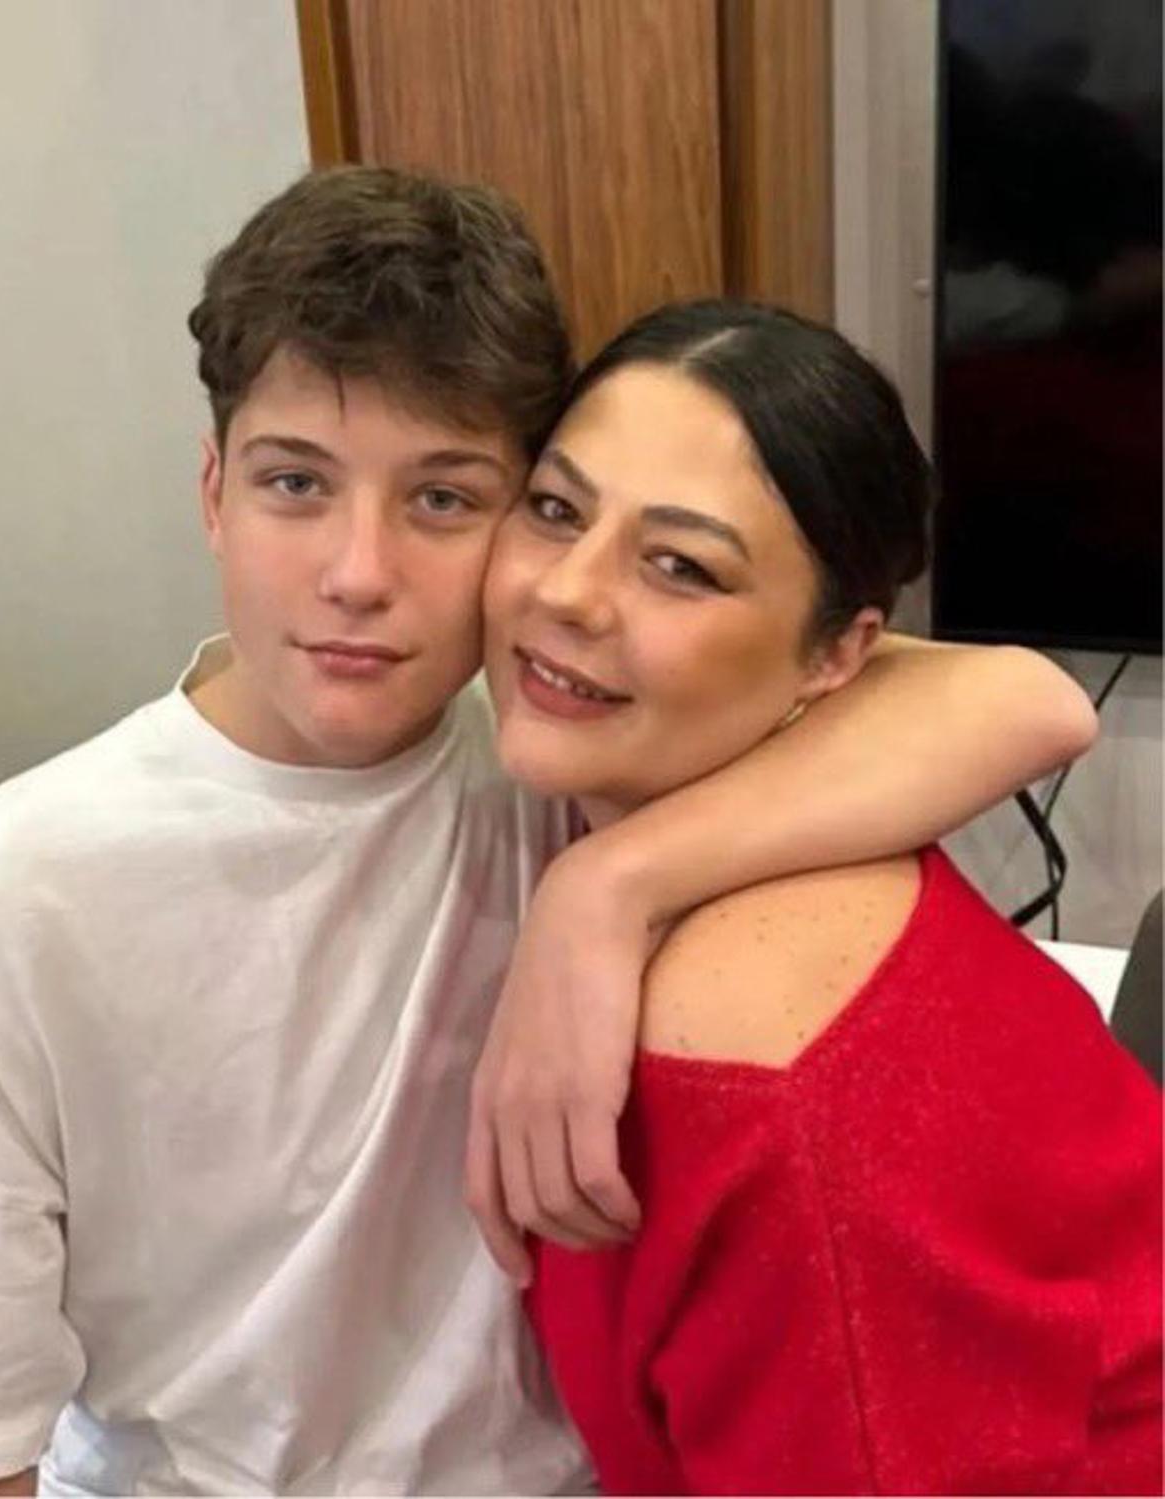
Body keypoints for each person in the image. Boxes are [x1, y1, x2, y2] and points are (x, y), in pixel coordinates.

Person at [0, 170, 1099, 1497]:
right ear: (214, 489)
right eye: (295, 482)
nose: (358, 572)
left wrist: (603, 886)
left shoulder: (554, 740)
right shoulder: (24, 886)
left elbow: (1028, 699)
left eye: (444, 499)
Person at [483, 297, 1165, 1495]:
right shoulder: (690, 789)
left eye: (682, 566)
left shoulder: (763, 1074)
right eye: (555, 508)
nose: (570, 592)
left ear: (841, 655)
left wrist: (604, 885)